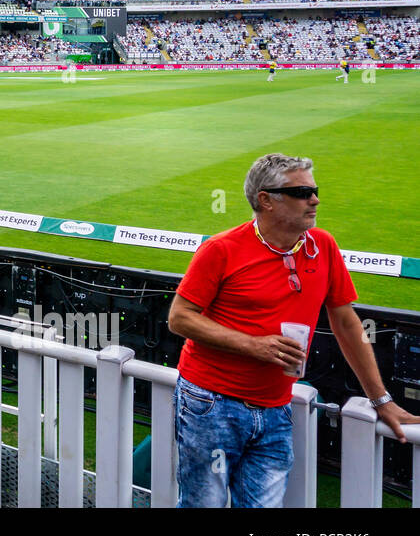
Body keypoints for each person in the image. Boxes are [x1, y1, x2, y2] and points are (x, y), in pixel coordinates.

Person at [168, 153, 419, 508]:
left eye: (315, 190)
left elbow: (347, 324)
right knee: (202, 505)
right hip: (211, 405)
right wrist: (252, 345)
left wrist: (382, 400)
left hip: (276, 407)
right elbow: (179, 318)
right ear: (265, 200)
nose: (314, 199)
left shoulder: (324, 246)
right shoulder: (221, 249)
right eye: (301, 192)